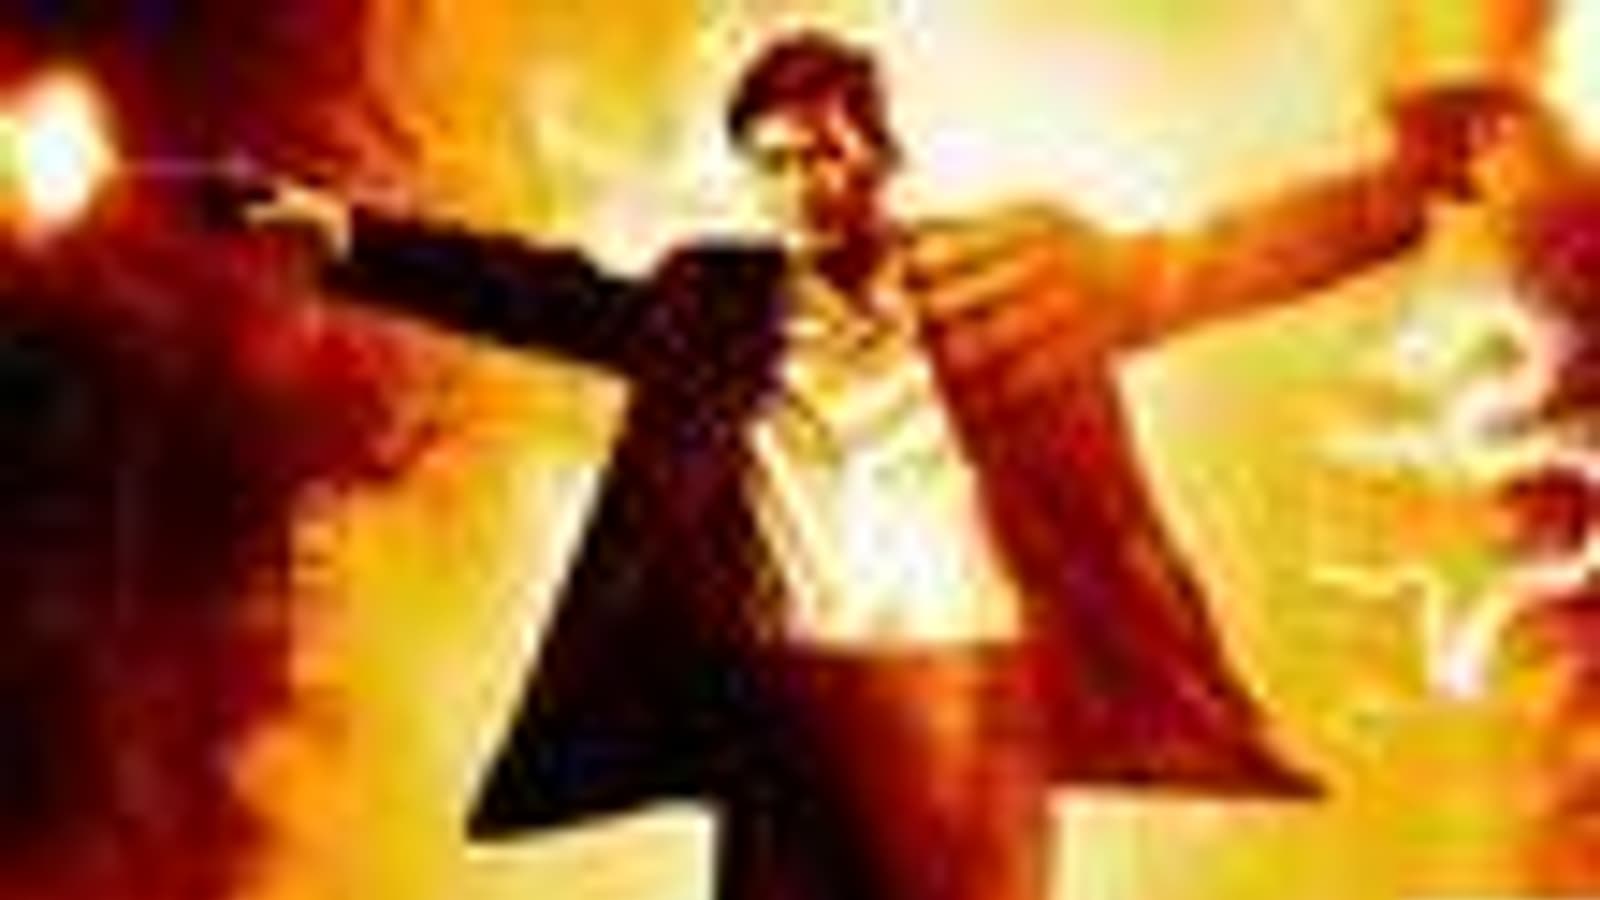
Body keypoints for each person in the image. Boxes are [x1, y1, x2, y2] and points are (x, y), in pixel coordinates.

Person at [218, 30, 1490, 900]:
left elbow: (1205, 267)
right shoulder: (711, 304)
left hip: (972, 709)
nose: (803, 185)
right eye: (773, 163)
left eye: (825, 152)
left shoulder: (1010, 275)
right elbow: (541, 295)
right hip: (790, 719)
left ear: (882, 156)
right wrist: (347, 238)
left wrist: (1394, 193)